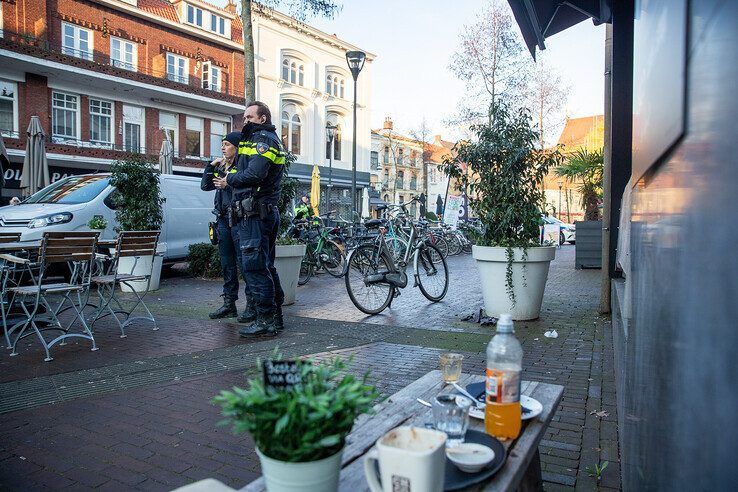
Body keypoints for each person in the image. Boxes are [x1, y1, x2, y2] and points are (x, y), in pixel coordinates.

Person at [222, 101, 285, 336]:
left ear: (263, 119)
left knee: (255, 267)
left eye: (250, 117)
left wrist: (230, 180)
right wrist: (234, 173)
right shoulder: (253, 140)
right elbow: (243, 170)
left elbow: (255, 174)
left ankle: (265, 319)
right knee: (265, 266)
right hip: (259, 211)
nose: (245, 120)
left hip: (256, 213)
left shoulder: (263, 140)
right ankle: (274, 317)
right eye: (244, 117)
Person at [201, 131, 254, 320]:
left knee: (244, 263)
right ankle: (229, 304)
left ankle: (251, 306)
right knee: (227, 264)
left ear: (237, 147)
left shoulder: (243, 166)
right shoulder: (222, 166)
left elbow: (246, 189)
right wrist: (210, 166)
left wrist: (228, 185)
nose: (223, 148)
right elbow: (206, 186)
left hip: (239, 220)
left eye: (227, 144)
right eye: (222, 144)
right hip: (222, 220)